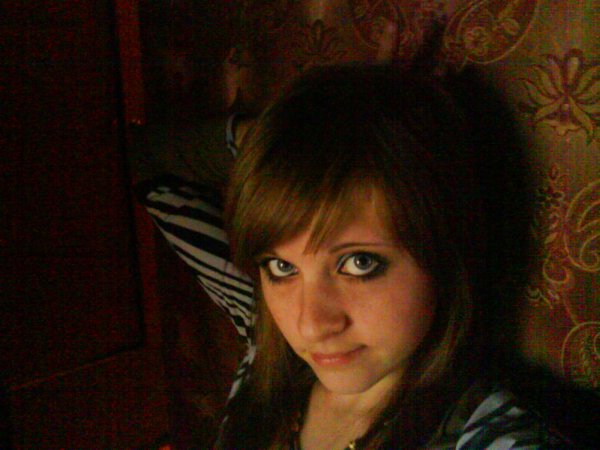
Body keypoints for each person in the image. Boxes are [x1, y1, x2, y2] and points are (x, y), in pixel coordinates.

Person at [135, 64, 572, 448]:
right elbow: (141, 159)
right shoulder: (266, 340)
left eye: (359, 263)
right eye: (281, 267)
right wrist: (269, 144)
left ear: (445, 250)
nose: (310, 325)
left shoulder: (490, 435)